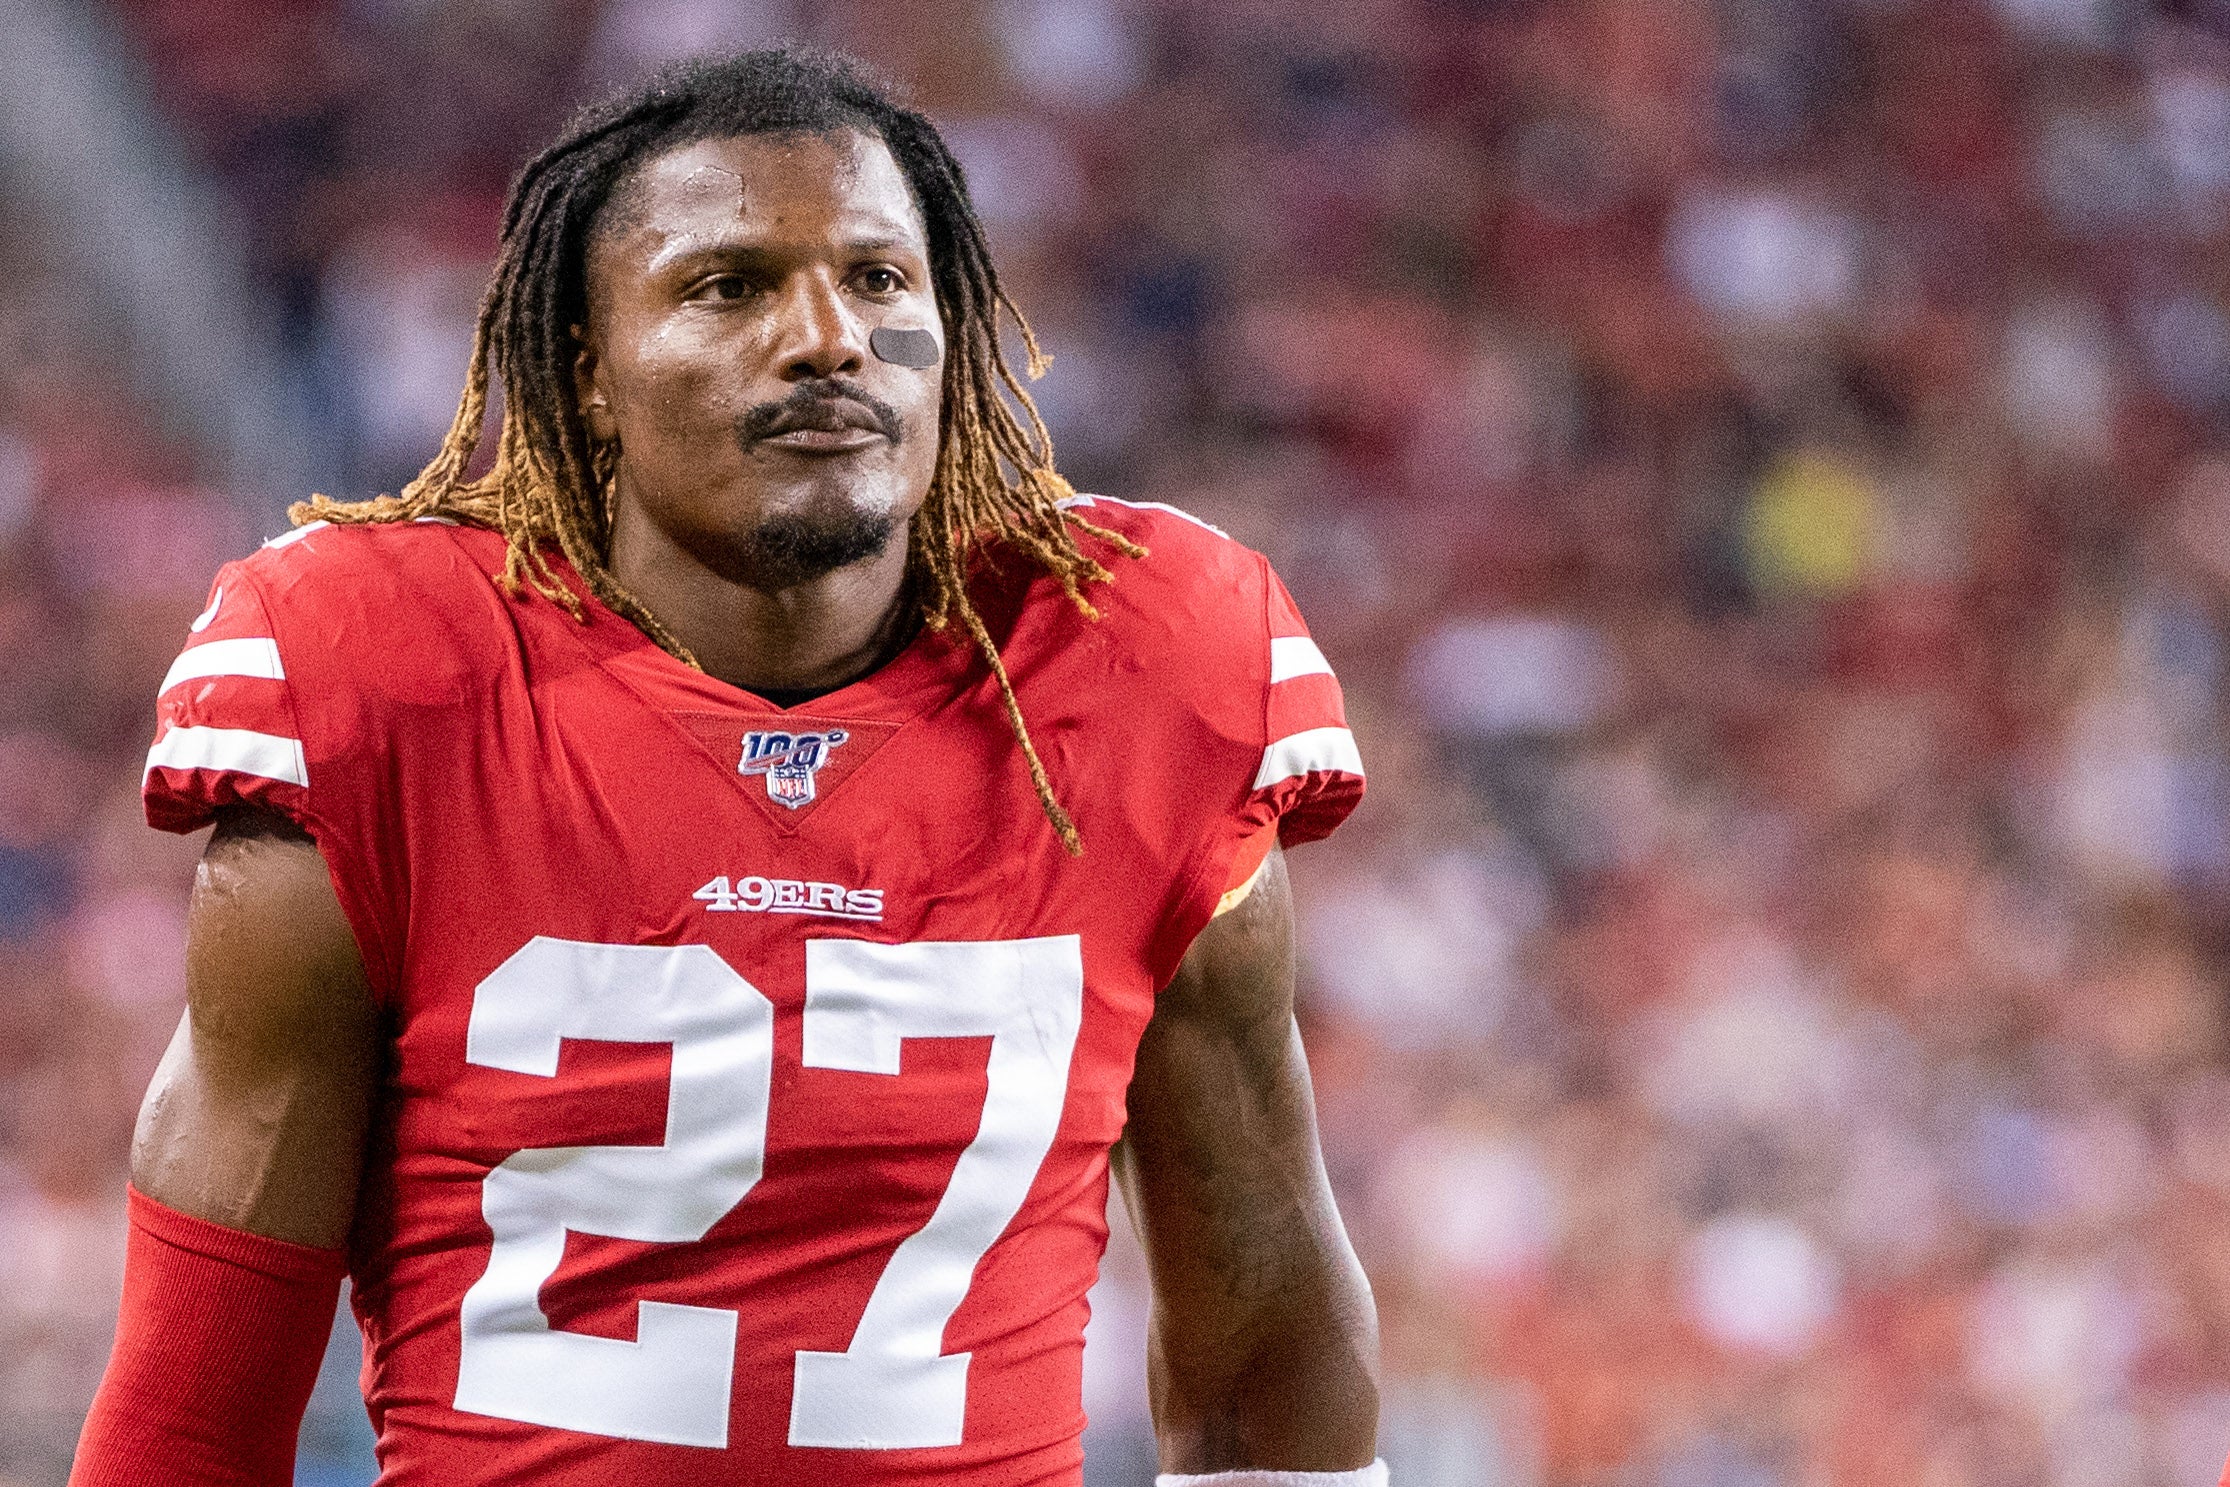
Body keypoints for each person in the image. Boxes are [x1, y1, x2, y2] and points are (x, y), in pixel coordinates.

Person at [70, 48, 1380, 1487]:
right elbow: (204, 1395)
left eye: (880, 280)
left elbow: (1263, 1360)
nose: (828, 338)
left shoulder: (1143, 665)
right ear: (587, 369)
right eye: (728, 285)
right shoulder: (385, 675)